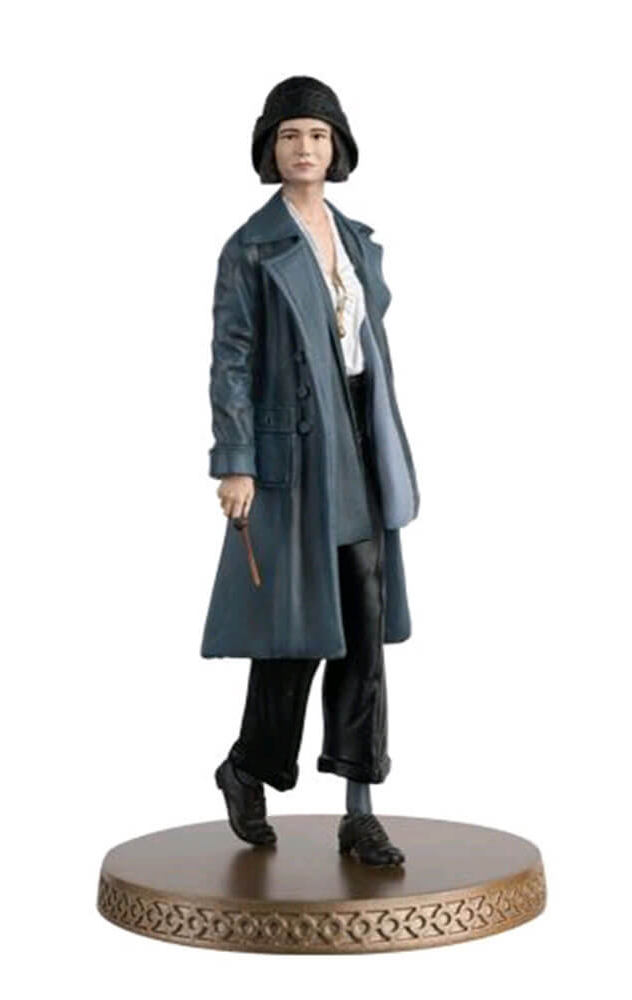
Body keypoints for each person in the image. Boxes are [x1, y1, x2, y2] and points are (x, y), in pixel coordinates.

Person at [202, 76, 420, 867]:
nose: (306, 148)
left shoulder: (356, 238)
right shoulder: (252, 246)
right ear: (271, 146)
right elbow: (231, 359)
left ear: (338, 147)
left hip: (359, 440)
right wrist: (236, 462)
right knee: (295, 632)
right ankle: (249, 765)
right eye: (292, 134)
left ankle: (360, 808)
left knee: (363, 628)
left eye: (319, 135)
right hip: (292, 454)